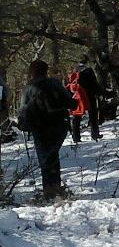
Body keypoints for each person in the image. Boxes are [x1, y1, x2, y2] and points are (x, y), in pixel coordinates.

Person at [17, 60, 76, 201]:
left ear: (32, 71)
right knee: (52, 155)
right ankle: (54, 188)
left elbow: (23, 109)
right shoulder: (55, 83)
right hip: (59, 125)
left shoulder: (29, 88)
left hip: (40, 127)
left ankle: (50, 191)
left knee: (45, 158)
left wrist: (22, 123)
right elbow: (70, 102)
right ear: (46, 70)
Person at [67, 59, 103, 142]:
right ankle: (95, 134)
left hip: (77, 96)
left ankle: (76, 137)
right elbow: (93, 83)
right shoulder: (89, 71)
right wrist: (99, 92)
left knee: (77, 116)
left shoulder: (74, 71)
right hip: (89, 95)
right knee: (93, 114)